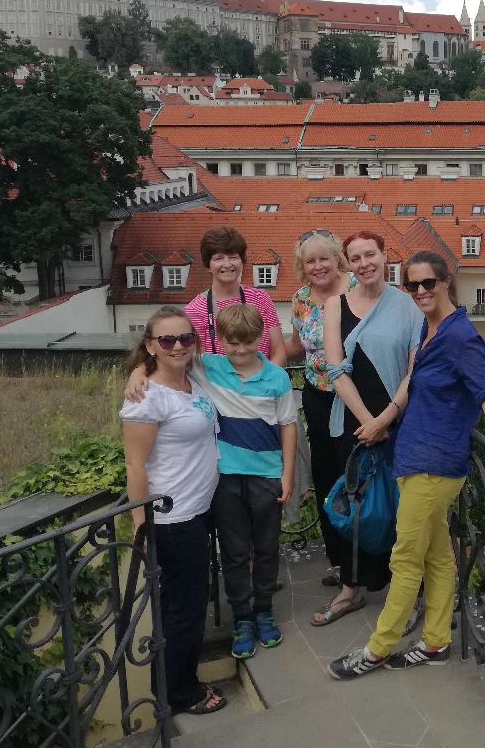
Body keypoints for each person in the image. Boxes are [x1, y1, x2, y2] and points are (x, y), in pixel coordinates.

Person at [328, 251, 485, 680]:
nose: (420, 292)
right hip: (417, 457)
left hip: (435, 464)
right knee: (437, 558)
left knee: (405, 559)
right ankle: (436, 642)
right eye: (412, 285)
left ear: (446, 281)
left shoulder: (460, 336)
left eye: (428, 284)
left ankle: (378, 648)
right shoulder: (428, 327)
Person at [311, 230, 422, 626]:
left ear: (384, 254)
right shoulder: (333, 306)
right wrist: (367, 422)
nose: (364, 264)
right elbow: (335, 368)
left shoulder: (409, 306)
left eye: (370, 254)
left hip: (397, 423)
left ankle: (404, 593)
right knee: (356, 506)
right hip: (352, 424)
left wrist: (385, 418)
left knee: (400, 510)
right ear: (348, 264)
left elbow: (414, 370)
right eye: (355, 258)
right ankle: (351, 587)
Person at [119, 307, 225, 715]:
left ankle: (176, 684)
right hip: (171, 519)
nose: (178, 345)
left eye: (185, 338)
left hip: (196, 512)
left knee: (188, 604)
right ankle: (180, 693)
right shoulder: (146, 397)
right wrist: (142, 529)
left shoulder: (191, 381)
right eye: (167, 340)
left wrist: (138, 369)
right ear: (151, 346)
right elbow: (135, 466)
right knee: (183, 610)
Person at [201, 304, 298, 660]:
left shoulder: (276, 377)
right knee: (235, 551)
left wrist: (287, 474)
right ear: (219, 340)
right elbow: (163, 359)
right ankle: (242, 617)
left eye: (248, 342)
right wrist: (137, 375)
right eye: (232, 343)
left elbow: (288, 425)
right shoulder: (208, 367)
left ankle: (263, 611)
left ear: (260, 338)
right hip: (224, 476)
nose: (240, 350)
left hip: (266, 474)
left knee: (267, 547)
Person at [287, 229, 352, 587]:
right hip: (318, 396)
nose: (317, 266)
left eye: (323, 258)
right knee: (327, 476)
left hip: (357, 397)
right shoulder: (300, 299)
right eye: (310, 261)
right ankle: (340, 559)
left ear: (336, 259)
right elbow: (297, 345)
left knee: (358, 474)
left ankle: (370, 557)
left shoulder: (358, 287)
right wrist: (250, 363)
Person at [187, 226, 287, 366]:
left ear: (242, 261)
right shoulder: (195, 310)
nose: (227, 264)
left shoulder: (260, 298)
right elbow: (196, 363)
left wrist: (264, 382)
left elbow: (278, 351)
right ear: (208, 265)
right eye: (218, 258)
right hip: (219, 386)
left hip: (263, 383)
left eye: (233, 257)